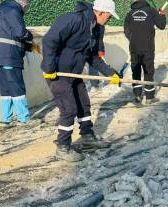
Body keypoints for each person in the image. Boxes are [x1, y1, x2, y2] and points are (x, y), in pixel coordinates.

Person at [41, 0, 121, 162]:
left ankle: (87, 137)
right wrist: (49, 68)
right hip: (58, 73)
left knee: (84, 104)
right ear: (100, 12)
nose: (109, 19)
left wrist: (109, 73)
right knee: (69, 109)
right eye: (109, 16)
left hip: (75, 73)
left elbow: (92, 56)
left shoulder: (96, 29)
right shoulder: (73, 20)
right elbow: (49, 41)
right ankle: (63, 146)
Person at [0, 0, 33, 128]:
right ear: (24, 3)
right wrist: (29, 37)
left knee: (6, 88)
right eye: (27, 5)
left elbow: (8, 33)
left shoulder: (1, 10)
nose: (27, 9)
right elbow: (20, 32)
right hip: (9, 56)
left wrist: (25, 46)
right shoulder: (14, 11)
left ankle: (5, 118)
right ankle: (23, 118)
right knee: (16, 86)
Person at [124, 0, 166, 105]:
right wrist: (162, 15)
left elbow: (126, 29)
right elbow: (162, 25)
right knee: (148, 71)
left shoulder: (129, 13)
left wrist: (133, 39)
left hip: (134, 47)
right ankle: (149, 97)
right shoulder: (151, 11)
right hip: (148, 47)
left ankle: (137, 96)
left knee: (136, 70)